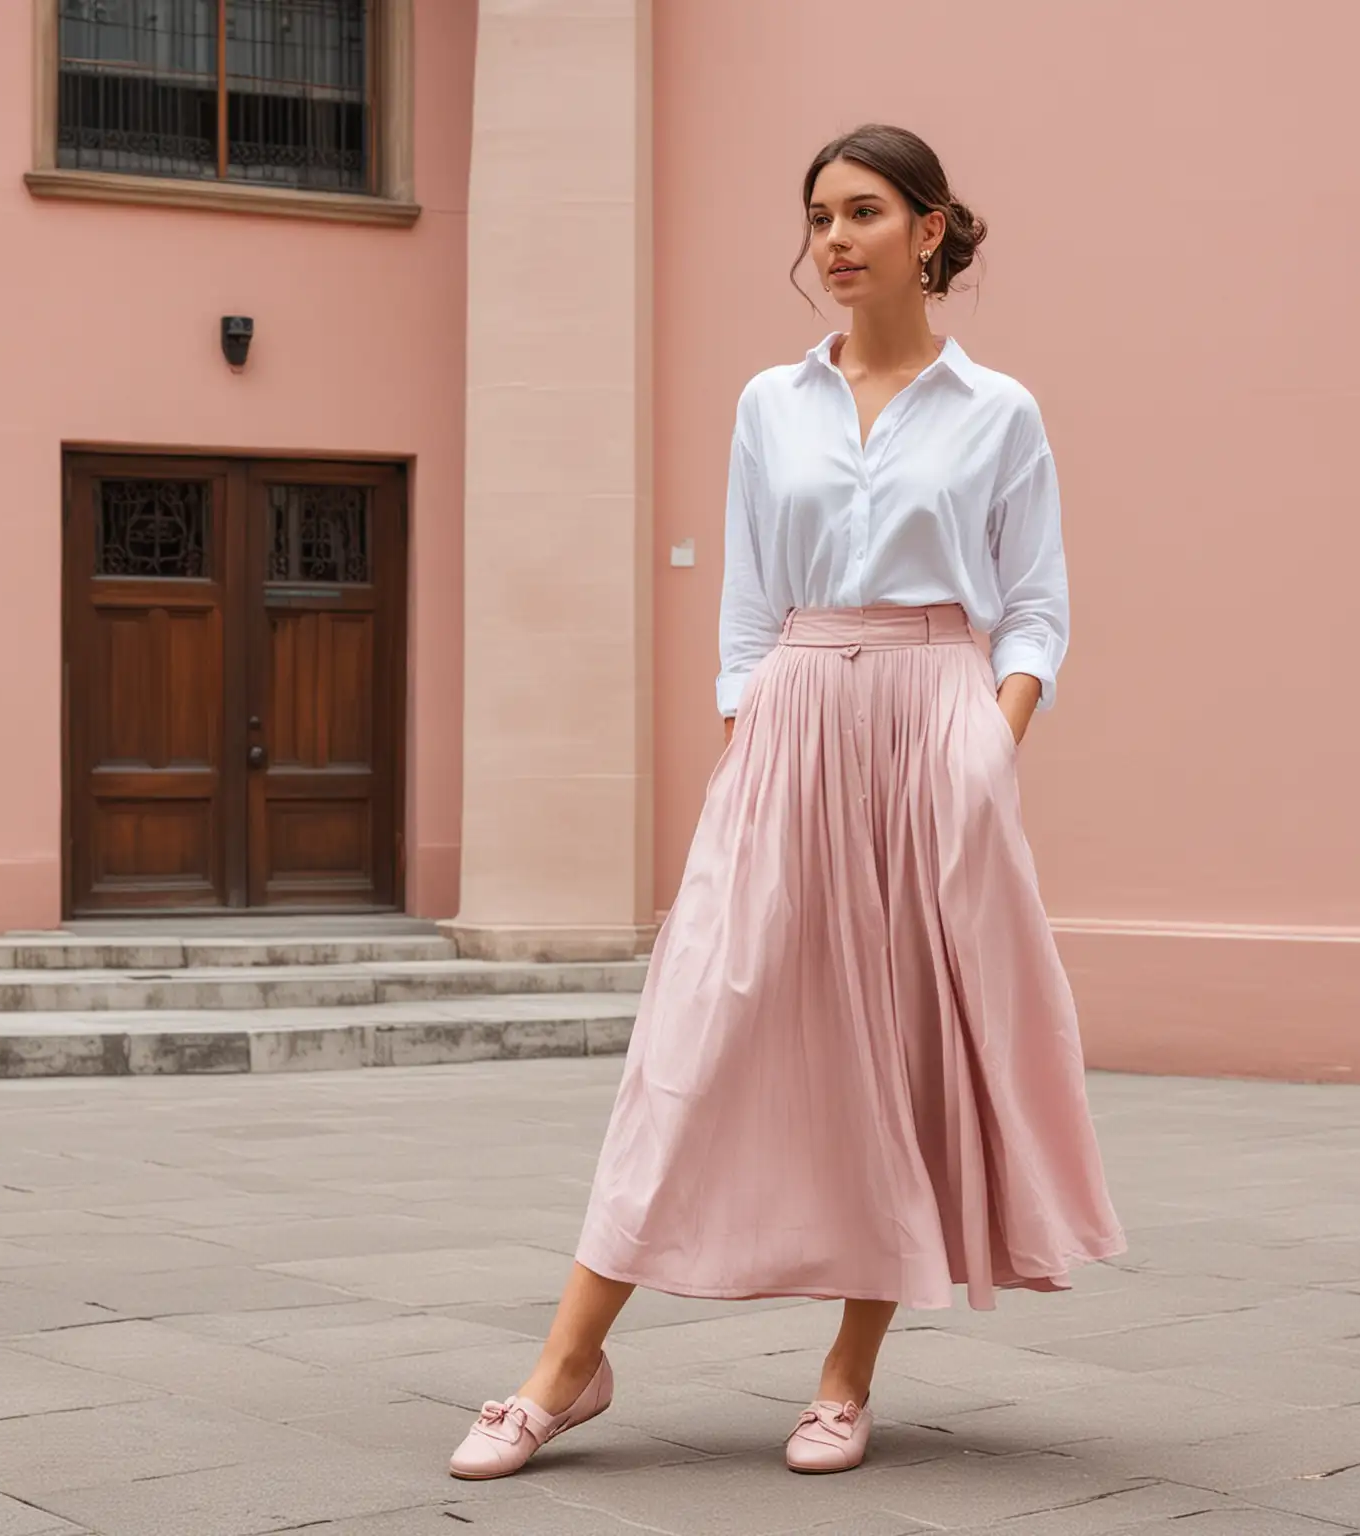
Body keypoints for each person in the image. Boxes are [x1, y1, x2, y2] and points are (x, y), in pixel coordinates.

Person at [449, 122, 1125, 1482]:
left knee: (898, 1053)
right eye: (818, 214)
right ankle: (566, 1367)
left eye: (862, 211)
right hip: (796, 717)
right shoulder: (772, 402)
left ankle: (845, 1374)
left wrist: (990, 748)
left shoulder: (999, 412)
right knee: (697, 1034)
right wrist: (749, 731)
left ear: (928, 231)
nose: (831, 238)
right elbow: (749, 603)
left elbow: (1037, 606)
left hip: (936, 721)